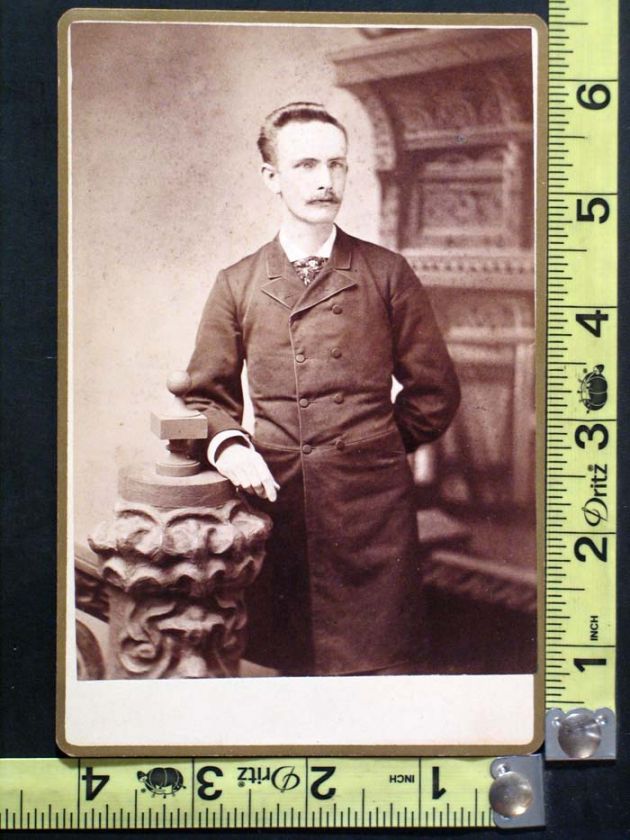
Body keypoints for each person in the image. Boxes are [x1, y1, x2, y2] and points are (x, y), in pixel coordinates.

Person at [185, 102, 460, 677]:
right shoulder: (238, 283)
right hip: (277, 504)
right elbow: (206, 395)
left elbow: (434, 391)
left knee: (378, 675)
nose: (324, 181)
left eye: (336, 165)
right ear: (272, 177)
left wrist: (371, 448)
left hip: (372, 514)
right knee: (284, 670)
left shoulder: (387, 273)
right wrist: (232, 447)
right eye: (306, 164)